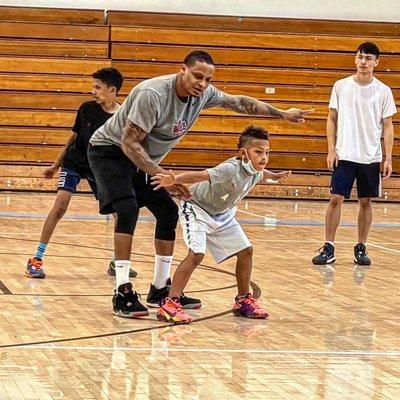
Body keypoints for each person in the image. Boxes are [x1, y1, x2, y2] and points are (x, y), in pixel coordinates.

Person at [88, 50, 313, 318]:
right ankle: (122, 290)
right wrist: (168, 178)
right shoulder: (153, 94)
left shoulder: (204, 94)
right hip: (109, 150)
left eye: (208, 79)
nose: (203, 83)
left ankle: (160, 289)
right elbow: (128, 142)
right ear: (182, 69)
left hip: (142, 159)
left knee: (168, 211)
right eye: (197, 76)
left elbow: (239, 102)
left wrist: (283, 114)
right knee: (127, 209)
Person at [152, 125, 290, 324]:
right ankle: (170, 303)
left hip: (221, 215)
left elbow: (263, 173)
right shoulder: (229, 169)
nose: (264, 157)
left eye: (267, 153)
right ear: (243, 153)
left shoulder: (256, 170)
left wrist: (275, 176)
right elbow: (201, 175)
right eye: (258, 152)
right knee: (196, 254)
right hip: (196, 208)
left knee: (246, 251)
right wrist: (176, 179)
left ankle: (243, 300)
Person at [26, 67, 137, 278]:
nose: (92, 91)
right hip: (75, 164)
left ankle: (117, 262)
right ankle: (36, 259)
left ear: (113, 90)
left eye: (98, 87)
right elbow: (74, 138)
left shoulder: (123, 116)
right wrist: (56, 165)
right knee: (59, 207)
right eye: (92, 87)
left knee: (119, 213)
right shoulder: (86, 108)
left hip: (101, 168)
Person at [312, 42, 396, 266]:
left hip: (370, 156)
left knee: (366, 201)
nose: (363, 62)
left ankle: (361, 246)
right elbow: (332, 118)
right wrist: (331, 148)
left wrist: (388, 157)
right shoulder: (341, 86)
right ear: (355, 59)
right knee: (335, 199)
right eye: (360, 57)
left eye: (368, 58)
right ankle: (329, 246)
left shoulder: (383, 91)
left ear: (376, 62)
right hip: (345, 154)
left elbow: (388, 125)